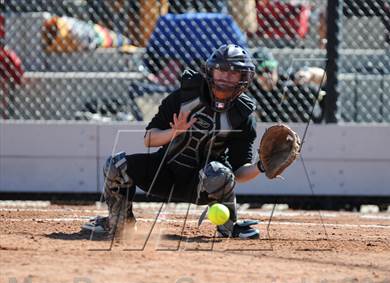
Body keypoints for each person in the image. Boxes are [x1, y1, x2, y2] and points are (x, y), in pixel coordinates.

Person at [82, 44, 268, 239]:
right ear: (211, 70)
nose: (225, 78)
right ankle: (119, 223)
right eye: (221, 70)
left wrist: (261, 166)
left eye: (234, 73)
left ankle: (229, 227)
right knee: (116, 165)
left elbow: (237, 173)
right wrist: (175, 131)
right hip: (164, 173)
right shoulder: (184, 97)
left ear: (244, 78)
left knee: (219, 172)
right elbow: (149, 139)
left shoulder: (243, 116)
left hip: (201, 185)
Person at [248, 49, 326, 123]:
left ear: (275, 68)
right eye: (261, 72)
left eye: (270, 69)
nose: (267, 75)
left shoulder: (287, 79)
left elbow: (324, 75)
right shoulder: (253, 90)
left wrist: (310, 74)